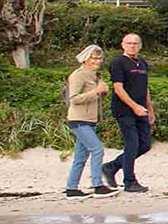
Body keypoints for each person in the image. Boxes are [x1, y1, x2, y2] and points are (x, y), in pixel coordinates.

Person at [65, 45, 119, 200]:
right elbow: (74, 99)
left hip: (90, 120)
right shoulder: (78, 75)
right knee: (97, 149)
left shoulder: (96, 75)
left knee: (81, 156)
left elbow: (95, 98)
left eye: (99, 58)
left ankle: (71, 188)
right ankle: (98, 185)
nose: (97, 61)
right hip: (78, 119)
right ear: (85, 58)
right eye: (93, 58)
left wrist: (102, 93)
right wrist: (95, 91)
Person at [102, 33, 155, 193]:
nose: (132, 46)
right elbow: (118, 88)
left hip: (141, 110)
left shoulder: (143, 63)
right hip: (124, 110)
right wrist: (134, 106)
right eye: (129, 43)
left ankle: (112, 166)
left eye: (135, 43)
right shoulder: (118, 62)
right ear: (123, 45)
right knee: (132, 144)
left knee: (144, 145)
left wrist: (149, 109)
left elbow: (145, 88)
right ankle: (129, 181)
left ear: (140, 46)